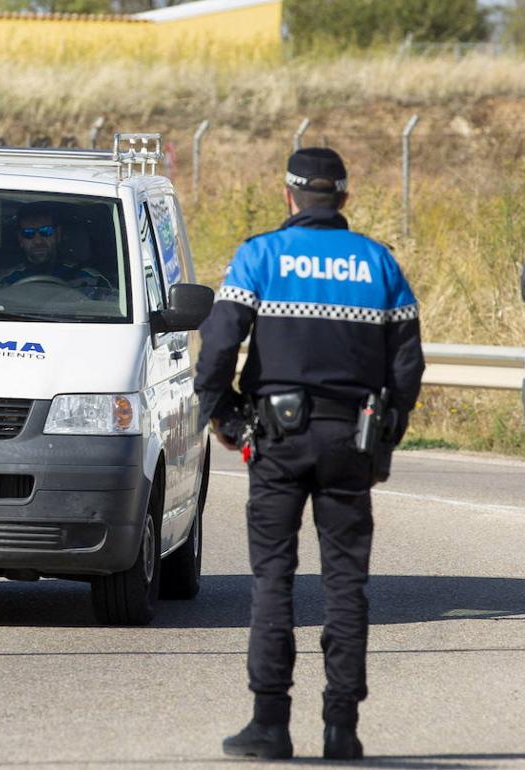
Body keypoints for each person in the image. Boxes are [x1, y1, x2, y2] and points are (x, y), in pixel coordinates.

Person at [194, 148, 424, 760]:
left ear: (289, 196)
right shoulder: (379, 263)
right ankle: (341, 730)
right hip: (352, 440)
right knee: (346, 584)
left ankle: (269, 726)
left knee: (274, 579)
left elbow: (218, 343)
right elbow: (408, 364)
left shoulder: (261, 255)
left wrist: (222, 413)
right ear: (343, 199)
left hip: (278, 438)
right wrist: (386, 436)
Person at [0, 203, 110, 294]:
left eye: (46, 231)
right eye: (28, 233)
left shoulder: (91, 280)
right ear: (20, 240)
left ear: (58, 235)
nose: (38, 241)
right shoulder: (4, 283)